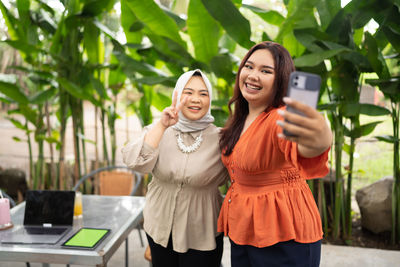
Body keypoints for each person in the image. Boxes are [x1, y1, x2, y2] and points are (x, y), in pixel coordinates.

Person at [218, 41, 332, 267]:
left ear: (281, 79)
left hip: (284, 232)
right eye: (248, 67)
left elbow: (306, 147)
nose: (252, 75)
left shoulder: (280, 118)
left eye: (265, 71)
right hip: (245, 229)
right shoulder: (239, 119)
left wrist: (321, 136)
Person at [122, 69, 228, 267]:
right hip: (160, 226)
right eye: (188, 92)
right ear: (177, 95)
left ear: (210, 99)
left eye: (203, 94)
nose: (196, 99)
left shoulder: (223, 139)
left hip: (202, 230)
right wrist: (162, 126)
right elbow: (135, 162)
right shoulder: (159, 130)